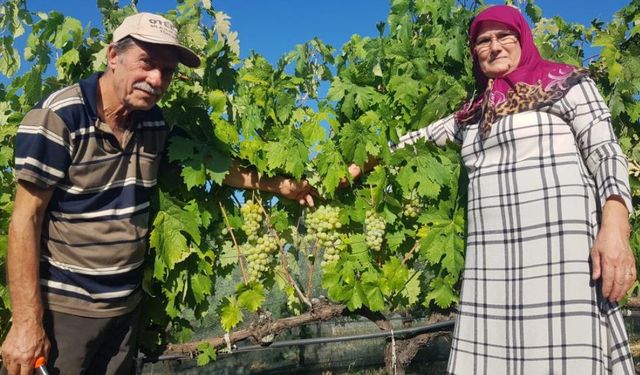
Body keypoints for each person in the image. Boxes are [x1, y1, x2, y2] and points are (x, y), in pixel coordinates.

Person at [0, 12, 315, 375]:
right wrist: (26, 323)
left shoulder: (153, 122)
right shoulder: (59, 117)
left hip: (124, 313)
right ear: (113, 55)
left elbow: (212, 165)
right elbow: (25, 218)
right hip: (66, 314)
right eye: (147, 62)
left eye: (167, 71)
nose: (156, 80)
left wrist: (278, 186)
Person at [348, 5, 636, 374]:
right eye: (483, 40)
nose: (494, 46)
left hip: (563, 258)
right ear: (474, 52)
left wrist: (615, 229)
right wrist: (357, 164)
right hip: (493, 265)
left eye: (505, 37)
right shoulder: (471, 114)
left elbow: (605, 152)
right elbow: (411, 143)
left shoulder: (567, 83)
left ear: (524, 39)